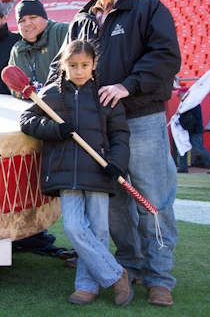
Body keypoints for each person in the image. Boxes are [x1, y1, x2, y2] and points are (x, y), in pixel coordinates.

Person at [58, 0, 181, 306]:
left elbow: (166, 55)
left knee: (153, 200)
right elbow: (63, 66)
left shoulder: (148, 8)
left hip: (140, 116)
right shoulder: (80, 20)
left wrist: (128, 84)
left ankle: (160, 278)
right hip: (97, 126)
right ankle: (129, 265)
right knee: (114, 203)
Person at [20, 40, 132, 306]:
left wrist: (117, 161)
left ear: (94, 66)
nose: (79, 71)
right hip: (66, 173)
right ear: (63, 66)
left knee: (98, 231)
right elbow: (27, 121)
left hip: (99, 172)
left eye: (84, 65)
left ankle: (87, 286)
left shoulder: (106, 97)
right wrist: (54, 130)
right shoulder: (50, 95)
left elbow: (120, 135)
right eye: (72, 65)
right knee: (73, 227)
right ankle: (117, 275)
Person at [8, 0, 68, 99]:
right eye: (22, 20)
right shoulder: (17, 50)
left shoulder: (61, 31)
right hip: (35, 107)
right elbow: (12, 85)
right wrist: (24, 92)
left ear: (45, 18)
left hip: (66, 106)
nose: (27, 23)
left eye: (33, 17)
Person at [176, 88, 210, 173]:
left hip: (192, 129)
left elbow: (190, 118)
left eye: (179, 94)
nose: (178, 96)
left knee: (192, 147)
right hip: (193, 128)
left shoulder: (189, 102)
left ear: (183, 93)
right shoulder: (192, 101)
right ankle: (183, 166)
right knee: (190, 146)